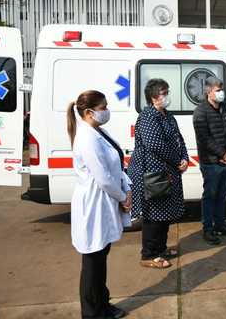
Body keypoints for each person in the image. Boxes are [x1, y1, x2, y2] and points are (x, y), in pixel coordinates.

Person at [68, 90, 130, 319]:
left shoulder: (97, 132)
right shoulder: (86, 138)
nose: (107, 111)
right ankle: (93, 313)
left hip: (103, 201)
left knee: (100, 258)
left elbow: (115, 165)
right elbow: (103, 178)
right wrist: (123, 197)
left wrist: (126, 188)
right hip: (94, 205)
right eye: (103, 107)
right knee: (92, 263)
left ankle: (103, 304)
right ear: (89, 112)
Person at [127, 79, 189, 269]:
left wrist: (184, 157)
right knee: (153, 214)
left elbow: (179, 139)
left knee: (165, 213)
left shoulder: (168, 116)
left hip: (167, 173)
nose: (167, 96)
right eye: (164, 92)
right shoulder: (147, 116)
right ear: (154, 97)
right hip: (152, 174)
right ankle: (149, 254)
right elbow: (155, 145)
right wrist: (176, 160)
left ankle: (160, 248)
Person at [193, 76, 226, 245]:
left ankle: (220, 225)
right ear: (208, 92)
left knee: (221, 196)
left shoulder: (225, 110)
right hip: (211, 162)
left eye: (221, 90)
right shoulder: (200, 112)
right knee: (209, 196)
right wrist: (222, 154)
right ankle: (208, 229)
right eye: (218, 90)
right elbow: (204, 139)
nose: (221, 93)